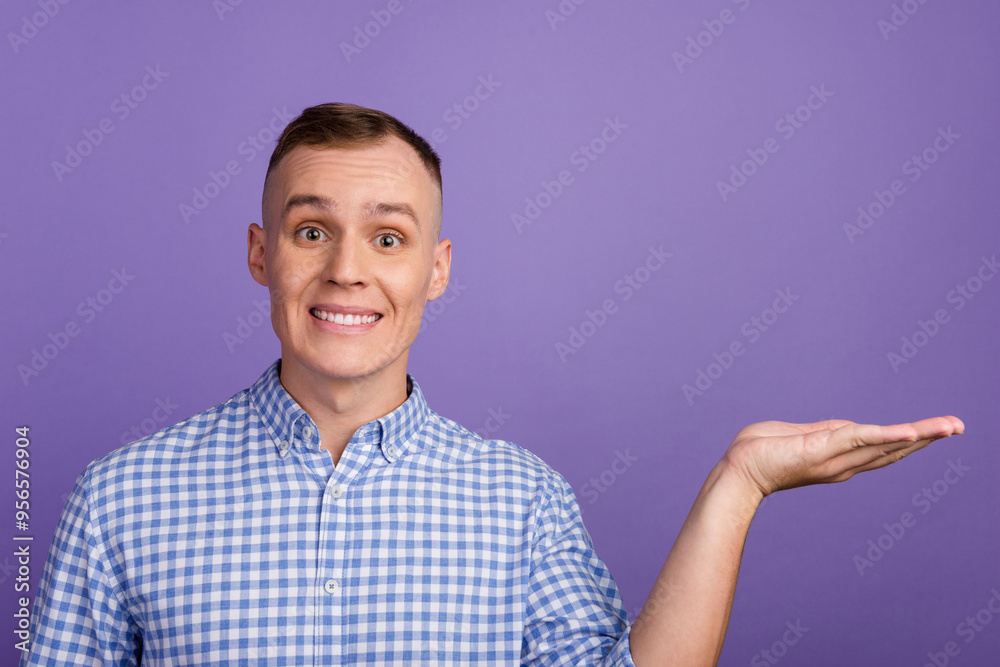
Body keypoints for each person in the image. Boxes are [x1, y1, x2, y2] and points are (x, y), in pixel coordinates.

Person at [21, 103, 964, 666]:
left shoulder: (521, 500)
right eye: (313, 231)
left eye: (388, 238)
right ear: (263, 255)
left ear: (434, 269)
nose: (349, 269)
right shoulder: (118, 499)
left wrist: (741, 481)